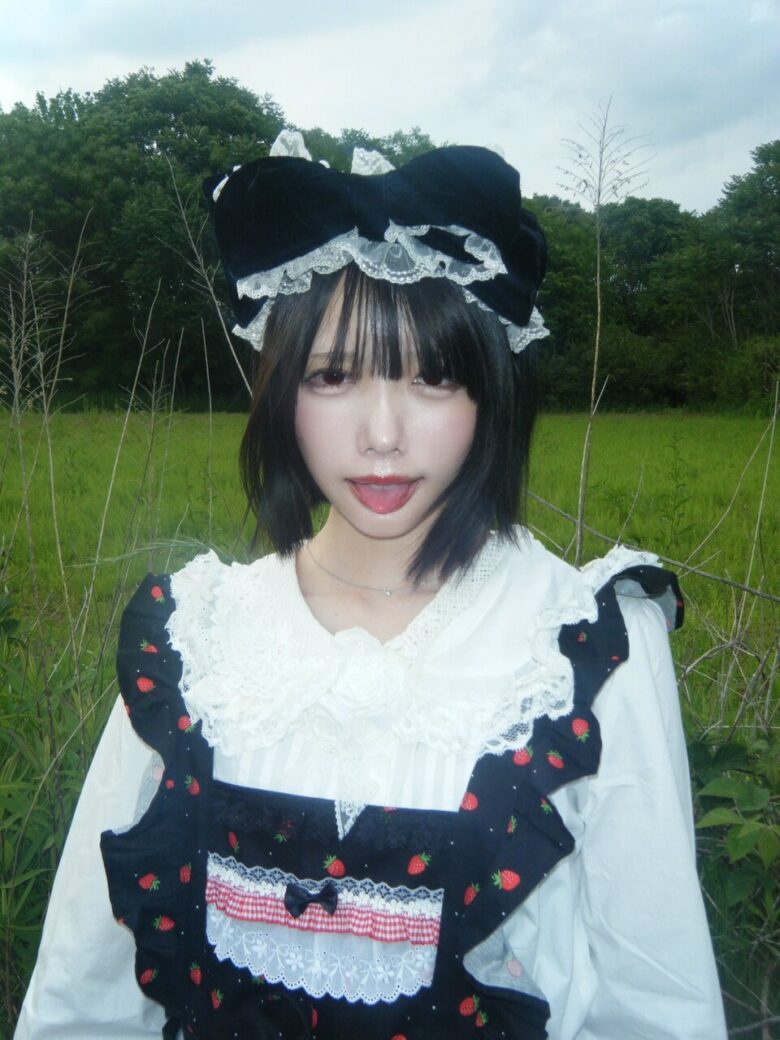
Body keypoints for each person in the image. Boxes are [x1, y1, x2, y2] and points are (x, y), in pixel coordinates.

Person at [15, 133, 727, 1040]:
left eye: (433, 377)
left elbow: (656, 1003)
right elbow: (83, 990)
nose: (382, 435)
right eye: (333, 376)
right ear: (281, 388)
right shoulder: (194, 640)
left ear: (492, 389)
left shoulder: (582, 646)